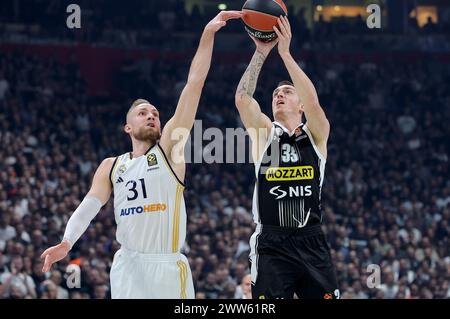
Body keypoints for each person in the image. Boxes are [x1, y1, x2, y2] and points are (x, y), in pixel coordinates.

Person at [40, 10, 243, 299]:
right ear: (127, 126)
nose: (151, 116)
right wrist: (67, 242)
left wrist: (207, 35)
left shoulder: (170, 149)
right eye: (142, 112)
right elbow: (89, 206)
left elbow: (194, 83)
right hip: (128, 266)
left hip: (167, 266)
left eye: (155, 113)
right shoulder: (111, 166)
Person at [234, 16, 339, 299]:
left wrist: (285, 53)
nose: (279, 95)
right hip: (271, 242)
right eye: (276, 93)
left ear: (301, 104)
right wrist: (261, 52)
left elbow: (314, 101)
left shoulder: (316, 134)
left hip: (311, 239)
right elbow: (243, 99)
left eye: (287, 92)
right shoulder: (265, 134)